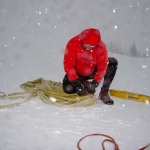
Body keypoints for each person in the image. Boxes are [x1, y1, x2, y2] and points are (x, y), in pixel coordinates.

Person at [62, 28, 118, 105]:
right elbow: (68, 65)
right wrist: (77, 83)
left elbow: (102, 67)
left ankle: (103, 92)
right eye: (87, 44)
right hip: (78, 73)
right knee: (68, 89)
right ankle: (84, 85)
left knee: (112, 62)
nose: (89, 47)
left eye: (92, 46)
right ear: (83, 40)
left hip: (92, 71)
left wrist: (95, 83)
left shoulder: (101, 47)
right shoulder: (73, 43)